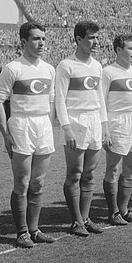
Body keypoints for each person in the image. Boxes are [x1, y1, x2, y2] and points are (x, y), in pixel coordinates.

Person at [0, 22, 56, 248]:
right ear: (23, 42)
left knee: (38, 183)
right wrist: (5, 135)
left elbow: (51, 101)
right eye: (37, 39)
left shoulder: (49, 69)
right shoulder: (13, 68)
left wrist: (49, 126)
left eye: (44, 39)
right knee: (22, 182)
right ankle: (21, 232)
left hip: (43, 126)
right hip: (21, 125)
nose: (41, 43)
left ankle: (34, 229)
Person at [55, 21, 109, 237]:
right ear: (78, 39)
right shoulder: (66, 65)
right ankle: (76, 220)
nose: (96, 42)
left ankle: (85, 218)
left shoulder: (97, 66)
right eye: (91, 38)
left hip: (95, 120)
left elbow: (100, 98)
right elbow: (59, 99)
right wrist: (66, 128)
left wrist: (104, 125)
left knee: (89, 174)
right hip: (75, 121)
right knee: (75, 174)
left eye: (97, 38)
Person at [101, 34, 132, 224]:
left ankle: (124, 209)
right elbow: (101, 102)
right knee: (113, 168)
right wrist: (105, 128)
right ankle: (113, 212)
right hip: (117, 122)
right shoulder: (108, 72)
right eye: (130, 48)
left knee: (131, 168)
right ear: (118, 49)